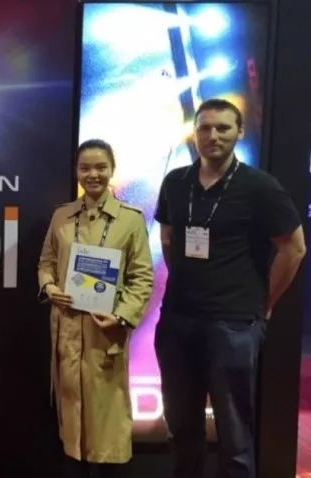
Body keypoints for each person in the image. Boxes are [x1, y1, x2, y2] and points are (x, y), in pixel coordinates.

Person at [154, 98, 306, 478]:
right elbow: (168, 239)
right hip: (177, 322)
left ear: (239, 131)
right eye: (205, 128)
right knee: (182, 428)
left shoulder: (260, 187)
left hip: (234, 324)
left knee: (235, 436)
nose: (213, 136)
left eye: (223, 128)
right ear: (195, 133)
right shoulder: (176, 182)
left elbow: (294, 248)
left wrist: (264, 303)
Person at [38, 139, 154, 477]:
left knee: (107, 431)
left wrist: (121, 316)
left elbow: (142, 277)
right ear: (76, 171)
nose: (93, 174)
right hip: (67, 334)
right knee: (71, 431)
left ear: (112, 170)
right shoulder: (62, 216)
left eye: (101, 167)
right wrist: (49, 287)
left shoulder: (130, 220)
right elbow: (46, 262)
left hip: (105, 335)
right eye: (85, 167)